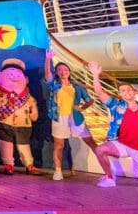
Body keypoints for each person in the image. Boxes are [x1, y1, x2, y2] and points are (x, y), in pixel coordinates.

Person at [42, 49, 97, 180]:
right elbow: (47, 74)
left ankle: (109, 170)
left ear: (69, 72)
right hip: (59, 117)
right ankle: (58, 171)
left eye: (65, 69)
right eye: (60, 70)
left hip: (75, 117)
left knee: (91, 142)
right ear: (57, 72)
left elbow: (90, 100)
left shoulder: (77, 87)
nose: (63, 72)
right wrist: (48, 59)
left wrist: (82, 108)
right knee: (59, 145)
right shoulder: (54, 85)